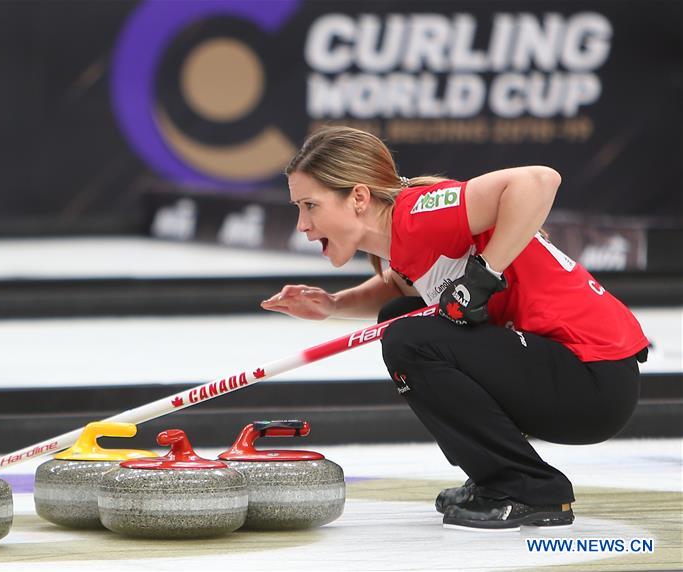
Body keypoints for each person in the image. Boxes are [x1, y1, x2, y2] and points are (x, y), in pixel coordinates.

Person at [261, 126, 649, 531]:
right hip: (574, 376)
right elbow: (400, 288)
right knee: (401, 314)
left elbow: (539, 180)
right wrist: (333, 305)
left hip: (592, 380)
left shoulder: (418, 213)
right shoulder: (406, 240)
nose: (302, 224)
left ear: (358, 197)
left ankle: (528, 488)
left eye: (310, 205)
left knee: (408, 340)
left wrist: (484, 274)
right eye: (299, 208)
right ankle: (495, 476)